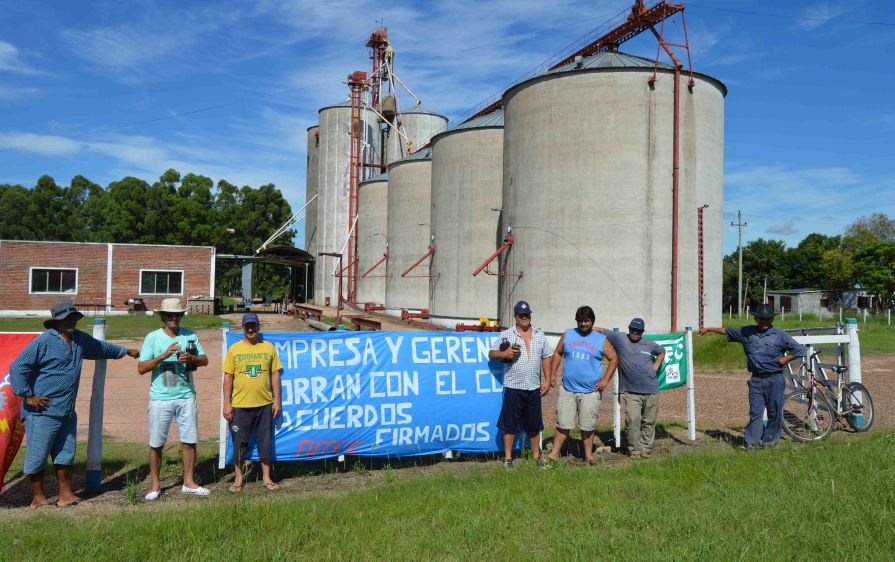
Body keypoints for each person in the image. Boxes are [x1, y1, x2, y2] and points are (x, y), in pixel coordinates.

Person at [10, 302, 139, 508]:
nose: (72, 321)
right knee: (38, 453)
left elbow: (100, 348)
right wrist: (27, 396)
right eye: (67, 318)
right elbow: (17, 367)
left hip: (66, 409)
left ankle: (65, 494)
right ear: (56, 322)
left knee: (65, 453)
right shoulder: (43, 342)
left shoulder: (79, 340)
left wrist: (126, 351)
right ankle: (38, 497)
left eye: (74, 318)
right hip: (42, 410)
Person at [699, 304, 804, 448]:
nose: (764, 322)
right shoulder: (746, 332)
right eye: (761, 319)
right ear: (756, 318)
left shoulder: (780, 335)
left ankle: (769, 442)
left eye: (768, 319)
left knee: (774, 412)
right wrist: (709, 329)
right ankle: (752, 443)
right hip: (756, 380)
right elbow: (726, 330)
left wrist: (783, 360)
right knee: (755, 412)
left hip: (775, 379)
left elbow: (798, 350)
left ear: (772, 319)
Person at [137, 298, 210, 500]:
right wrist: (163, 355)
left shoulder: (190, 334)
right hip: (161, 397)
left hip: (186, 395)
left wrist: (192, 358)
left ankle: (188, 482)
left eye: (177, 314)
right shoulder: (153, 338)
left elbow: (205, 360)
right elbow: (141, 368)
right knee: (156, 442)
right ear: (162, 317)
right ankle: (155, 485)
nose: (174, 318)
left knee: (189, 440)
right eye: (169, 315)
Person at [545, 306, 618, 465]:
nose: (583, 324)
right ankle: (554, 454)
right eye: (580, 321)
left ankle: (588, 456)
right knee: (563, 423)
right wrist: (551, 375)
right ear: (576, 321)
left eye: (586, 321)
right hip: (567, 389)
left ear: (592, 321)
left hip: (590, 391)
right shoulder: (568, 334)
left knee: (587, 425)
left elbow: (614, 359)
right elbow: (558, 353)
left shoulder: (600, 339)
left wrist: (605, 381)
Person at [489, 300, 554, 468]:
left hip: (533, 387)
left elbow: (546, 356)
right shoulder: (507, 334)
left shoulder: (539, 334)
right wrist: (504, 353)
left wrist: (547, 380)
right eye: (521, 315)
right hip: (513, 386)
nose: (524, 317)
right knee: (509, 425)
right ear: (515, 316)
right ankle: (508, 459)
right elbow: (491, 353)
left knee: (534, 425)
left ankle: (536, 457)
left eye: (527, 314)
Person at [223, 312, 283, 492]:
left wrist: (277, 400)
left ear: (258, 327)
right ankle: (239, 479)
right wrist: (227, 403)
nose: (250, 329)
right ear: (242, 328)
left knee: (265, 442)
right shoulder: (234, 349)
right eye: (247, 326)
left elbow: (275, 374)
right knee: (239, 443)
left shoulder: (269, 348)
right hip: (240, 405)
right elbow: (228, 377)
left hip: (264, 404)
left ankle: (266, 477)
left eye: (253, 326)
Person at [593, 318, 666, 458]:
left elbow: (662, 351)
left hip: (651, 390)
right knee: (633, 421)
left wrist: (656, 366)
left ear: (642, 332)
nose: (635, 332)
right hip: (630, 391)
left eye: (638, 331)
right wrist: (583, 329)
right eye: (633, 329)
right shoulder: (620, 338)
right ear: (629, 328)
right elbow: (600, 330)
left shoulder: (649, 344)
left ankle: (646, 449)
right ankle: (634, 450)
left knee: (649, 422)